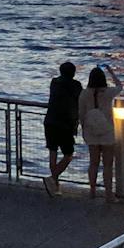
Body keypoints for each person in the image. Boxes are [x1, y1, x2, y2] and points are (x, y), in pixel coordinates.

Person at [79, 63, 122, 198]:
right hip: (107, 132)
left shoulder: (84, 93)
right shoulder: (108, 93)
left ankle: (92, 191)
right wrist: (111, 71)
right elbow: (120, 86)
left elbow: (81, 114)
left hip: (91, 132)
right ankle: (109, 193)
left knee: (93, 163)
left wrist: (84, 130)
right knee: (108, 165)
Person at [43, 59, 82, 193]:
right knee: (68, 154)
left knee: (52, 152)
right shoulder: (76, 86)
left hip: (50, 121)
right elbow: (79, 101)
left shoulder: (54, 82)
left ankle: (55, 186)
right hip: (65, 124)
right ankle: (53, 179)